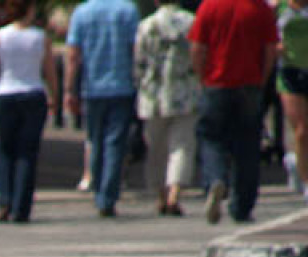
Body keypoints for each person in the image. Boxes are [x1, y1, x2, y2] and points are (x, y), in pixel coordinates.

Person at [188, 0, 279, 223]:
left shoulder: (209, 6)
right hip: (249, 84)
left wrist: (203, 79)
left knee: (211, 138)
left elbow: (198, 48)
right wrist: (262, 79)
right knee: (247, 144)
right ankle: (242, 206)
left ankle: (215, 178)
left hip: (216, 83)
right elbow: (270, 50)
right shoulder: (260, 8)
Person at [0, 0, 58, 223]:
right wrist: (55, 95)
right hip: (33, 94)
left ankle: (4, 200)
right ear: (30, 10)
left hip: (5, 94)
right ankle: (21, 206)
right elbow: (50, 71)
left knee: (5, 150)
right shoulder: (40, 37)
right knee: (27, 152)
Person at [65, 0, 141, 217]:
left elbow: (73, 55)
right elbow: (134, 49)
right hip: (121, 86)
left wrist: (70, 89)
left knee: (95, 140)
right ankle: (108, 195)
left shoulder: (82, 12)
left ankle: (99, 189)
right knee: (115, 143)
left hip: (92, 87)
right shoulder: (127, 10)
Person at [134, 0, 201, 216]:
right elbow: (199, 54)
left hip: (153, 94)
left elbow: (139, 61)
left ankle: (160, 194)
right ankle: (175, 193)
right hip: (185, 92)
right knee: (182, 146)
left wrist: (140, 83)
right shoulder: (191, 22)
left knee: (156, 147)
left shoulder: (147, 25)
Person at [276, 0, 308, 203]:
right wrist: (275, 47)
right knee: (302, 130)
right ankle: (306, 180)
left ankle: (293, 161)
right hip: (290, 72)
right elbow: (266, 36)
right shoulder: (278, 8)